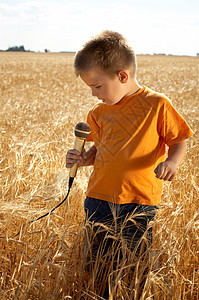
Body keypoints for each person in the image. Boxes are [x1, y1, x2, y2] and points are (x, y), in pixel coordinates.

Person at [66, 31, 194, 298]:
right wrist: (83, 158)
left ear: (122, 76)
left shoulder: (156, 104)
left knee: (133, 265)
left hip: (138, 201)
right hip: (98, 198)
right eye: (89, 88)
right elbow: (99, 149)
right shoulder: (99, 113)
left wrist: (173, 161)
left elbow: (180, 139)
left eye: (97, 86)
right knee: (98, 264)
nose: (93, 94)